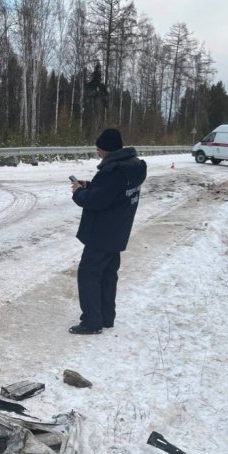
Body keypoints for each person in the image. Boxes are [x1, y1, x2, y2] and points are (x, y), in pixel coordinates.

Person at [69, 127, 147, 334]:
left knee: (88, 274)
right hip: (118, 231)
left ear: (107, 149)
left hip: (101, 234)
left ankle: (92, 322)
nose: (97, 151)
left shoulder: (113, 172)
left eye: (99, 148)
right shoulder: (132, 168)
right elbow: (112, 193)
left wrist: (78, 192)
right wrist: (89, 185)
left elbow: (95, 201)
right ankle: (106, 317)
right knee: (107, 274)